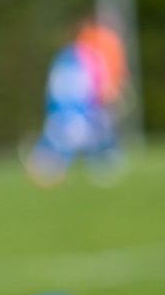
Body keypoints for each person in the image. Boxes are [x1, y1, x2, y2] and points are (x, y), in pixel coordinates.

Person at [23, 17, 129, 186]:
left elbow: (52, 88)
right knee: (92, 133)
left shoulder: (62, 57)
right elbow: (98, 85)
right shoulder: (88, 57)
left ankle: (48, 161)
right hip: (81, 112)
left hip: (60, 113)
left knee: (64, 139)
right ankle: (100, 161)